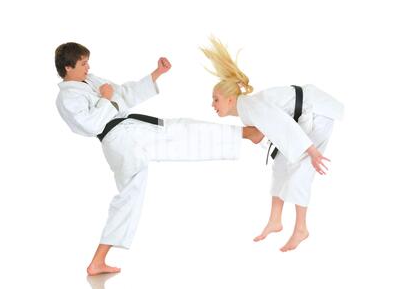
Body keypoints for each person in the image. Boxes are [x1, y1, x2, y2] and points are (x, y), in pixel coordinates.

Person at [54, 42, 263, 275]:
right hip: (123, 138)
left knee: (129, 197)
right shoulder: (67, 98)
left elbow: (122, 94)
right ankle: (247, 134)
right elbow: (91, 124)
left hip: (125, 140)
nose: (88, 66)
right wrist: (106, 100)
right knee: (181, 133)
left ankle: (98, 261)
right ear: (68, 67)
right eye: (83, 63)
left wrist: (156, 74)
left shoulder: (89, 81)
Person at [201, 37, 344, 252]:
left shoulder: (248, 107)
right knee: (280, 163)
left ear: (230, 99)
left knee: (300, 169)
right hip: (303, 116)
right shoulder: (245, 110)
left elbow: (282, 125)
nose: (212, 104)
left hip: (316, 112)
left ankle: (301, 229)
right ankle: (275, 221)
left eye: (216, 99)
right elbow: (262, 136)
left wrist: (313, 152)